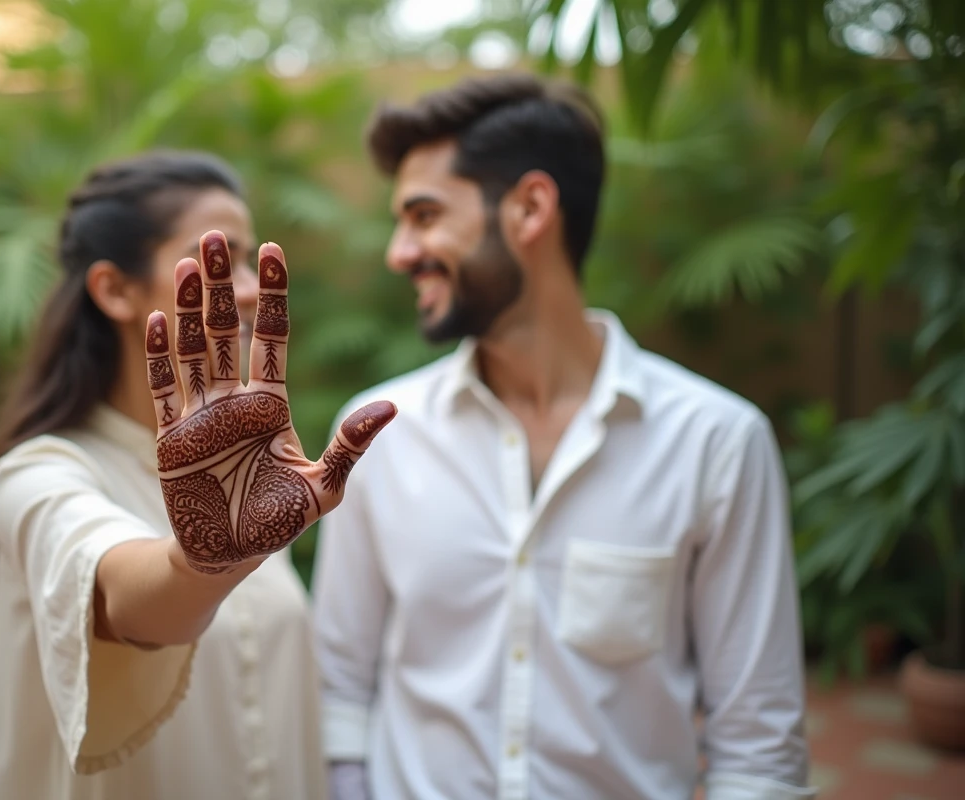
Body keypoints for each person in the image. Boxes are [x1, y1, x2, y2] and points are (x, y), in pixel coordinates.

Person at [311, 73, 816, 800]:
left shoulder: (717, 443)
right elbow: (341, 691)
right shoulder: (376, 435)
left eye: (423, 216)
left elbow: (759, 748)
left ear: (530, 208)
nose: (399, 251)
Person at [0, 149, 395, 800]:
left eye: (245, 258)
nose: (243, 284)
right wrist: (200, 564)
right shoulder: (38, 475)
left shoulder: (243, 475)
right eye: (218, 257)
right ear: (114, 289)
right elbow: (132, 602)